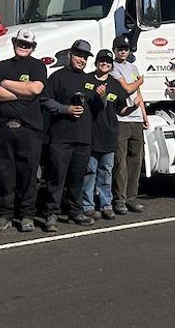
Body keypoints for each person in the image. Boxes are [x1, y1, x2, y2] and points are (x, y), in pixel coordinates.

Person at [0, 28, 47, 233]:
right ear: (14, 43)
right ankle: (5, 215)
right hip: (4, 129)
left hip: (29, 130)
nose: (23, 46)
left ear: (33, 47)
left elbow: (35, 89)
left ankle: (27, 215)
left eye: (28, 44)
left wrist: (6, 84)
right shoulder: (2, 66)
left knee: (28, 174)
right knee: (5, 174)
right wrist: (20, 93)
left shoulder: (38, 66)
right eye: (20, 42)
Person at [40, 40, 102, 231]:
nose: (81, 60)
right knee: (57, 177)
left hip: (83, 138)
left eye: (84, 57)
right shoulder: (57, 77)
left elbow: (99, 109)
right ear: (70, 55)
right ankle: (52, 213)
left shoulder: (91, 81)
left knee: (78, 177)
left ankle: (75, 211)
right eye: (78, 56)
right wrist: (64, 109)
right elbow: (45, 100)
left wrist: (102, 97)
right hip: (61, 137)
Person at [82, 49, 127, 221]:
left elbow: (121, 108)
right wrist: (101, 97)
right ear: (96, 63)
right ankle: (88, 205)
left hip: (109, 134)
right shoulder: (86, 80)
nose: (105, 64)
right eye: (102, 61)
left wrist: (133, 108)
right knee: (90, 171)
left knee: (106, 172)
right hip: (90, 134)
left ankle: (106, 205)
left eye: (108, 62)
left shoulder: (115, 84)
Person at [111, 34, 148, 215]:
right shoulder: (113, 68)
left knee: (136, 160)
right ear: (114, 51)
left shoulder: (133, 67)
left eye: (125, 49)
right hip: (122, 119)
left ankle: (132, 198)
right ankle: (120, 199)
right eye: (120, 49)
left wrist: (144, 114)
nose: (123, 51)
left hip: (136, 119)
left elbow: (138, 93)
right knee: (120, 161)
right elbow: (127, 88)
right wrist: (140, 80)